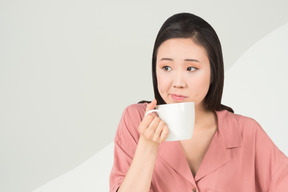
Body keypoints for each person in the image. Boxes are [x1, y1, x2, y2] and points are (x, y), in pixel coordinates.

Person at [109, 13, 288, 192]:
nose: (178, 82)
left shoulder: (246, 132)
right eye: (166, 68)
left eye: (191, 68)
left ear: (213, 72)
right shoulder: (136, 120)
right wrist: (148, 145)